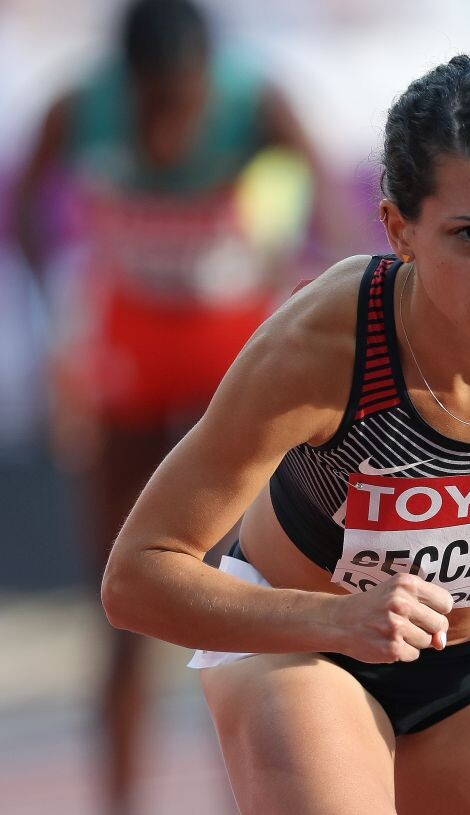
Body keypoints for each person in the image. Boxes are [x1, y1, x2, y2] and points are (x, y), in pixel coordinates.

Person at [101, 54, 470, 814]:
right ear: (399, 230)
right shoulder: (321, 350)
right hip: (307, 645)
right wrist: (338, 618)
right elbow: (137, 577)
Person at [9, 1, 327, 812]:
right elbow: (23, 210)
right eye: (152, 106)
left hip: (230, 345)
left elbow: (332, 207)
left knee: (236, 589)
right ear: (128, 83)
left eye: (181, 106)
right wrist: (55, 322)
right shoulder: (79, 109)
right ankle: (119, 799)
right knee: (117, 594)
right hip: (130, 337)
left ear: (206, 80)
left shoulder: (257, 103)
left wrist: (300, 300)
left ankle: (248, 794)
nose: (165, 133)